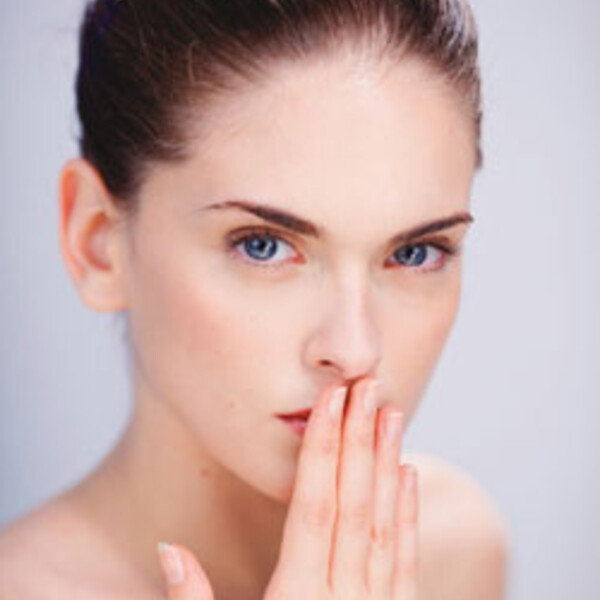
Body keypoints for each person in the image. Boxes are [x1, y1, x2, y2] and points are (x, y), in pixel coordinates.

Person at [0, 0, 510, 598]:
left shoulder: (450, 554)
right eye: (263, 246)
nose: (355, 351)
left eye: (416, 253)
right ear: (97, 242)